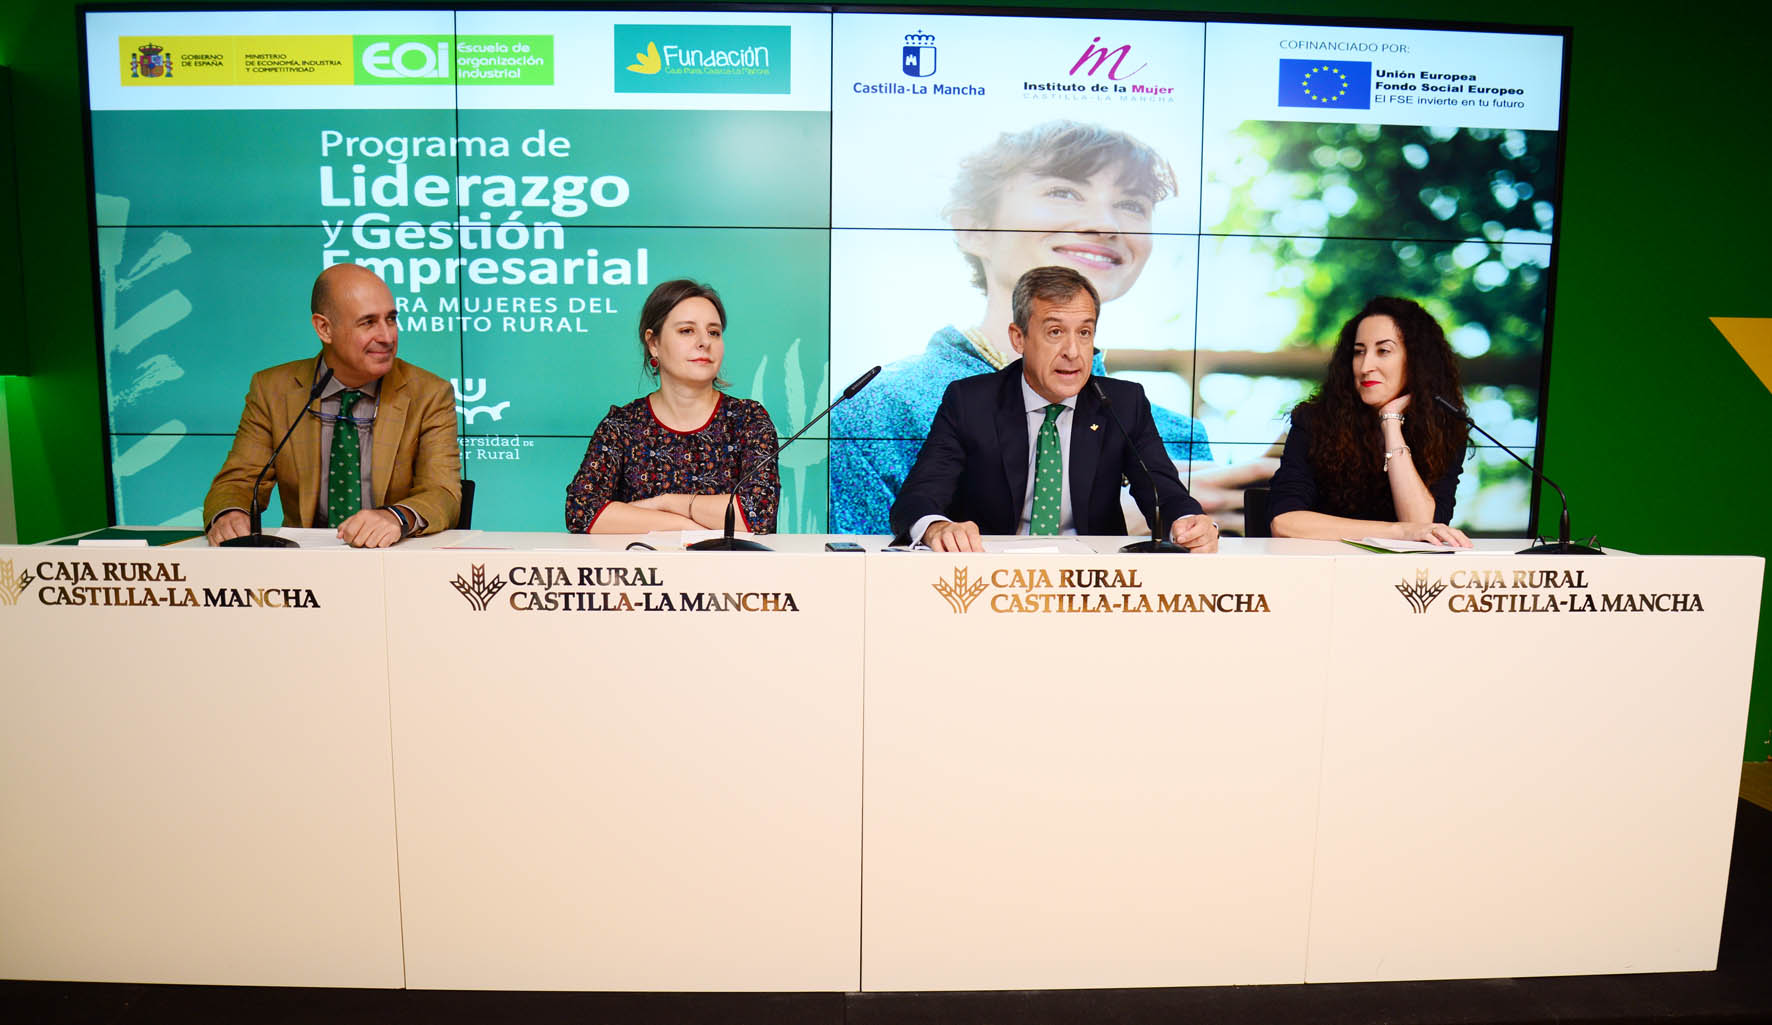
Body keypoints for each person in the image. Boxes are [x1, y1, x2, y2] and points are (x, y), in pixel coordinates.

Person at [832, 120, 1217, 535]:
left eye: (1132, 204)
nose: (1106, 224)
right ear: (973, 229)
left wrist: (1183, 526)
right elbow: (867, 577)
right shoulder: (879, 409)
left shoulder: (1178, 435)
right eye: (1064, 192)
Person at [890, 266, 1218, 553]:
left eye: (1085, 333)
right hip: (992, 581)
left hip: (1095, 585)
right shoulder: (971, 402)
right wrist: (937, 528)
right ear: (1018, 338)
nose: (1073, 352)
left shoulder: (1121, 404)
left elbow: (1165, 494)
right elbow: (917, 500)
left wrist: (1188, 522)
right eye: (1055, 332)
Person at [203, 264, 460, 548]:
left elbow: (443, 493)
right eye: (368, 323)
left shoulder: (429, 393)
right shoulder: (273, 389)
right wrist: (230, 514)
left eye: (391, 319)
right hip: (301, 571)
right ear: (324, 328)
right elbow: (237, 483)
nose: (387, 336)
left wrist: (396, 517)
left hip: (391, 561)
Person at [565, 279, 780, 533]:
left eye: (714, 332)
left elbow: (757, 514)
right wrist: (682, 526)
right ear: (653, 343)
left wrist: (666, 502)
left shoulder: (748, 420)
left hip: (729, 572)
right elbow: (582, 512)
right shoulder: (622, 426)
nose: (704, 342)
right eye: (686, 331)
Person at [1269, 296, 1471, 546]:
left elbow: (1422, 523)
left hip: (1401, 579)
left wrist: (1391, 422)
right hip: (1320, 571)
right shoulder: (1314, 421)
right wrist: (1399, 532)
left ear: (1416, 361)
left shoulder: (1445, 429)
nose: (1365, 366)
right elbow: (1285, 523)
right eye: (1359, 352)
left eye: (1383, 351)